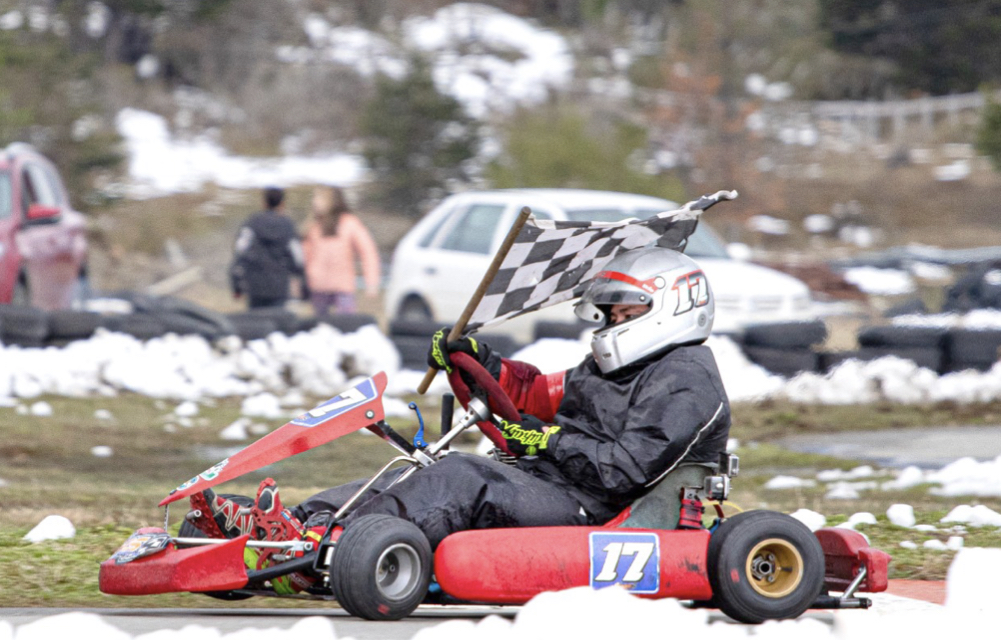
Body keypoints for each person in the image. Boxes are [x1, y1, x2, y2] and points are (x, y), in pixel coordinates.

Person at [191, 246, 731, 565]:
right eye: (609, 312)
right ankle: (288, 527)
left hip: (605, 512)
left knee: (462, 476)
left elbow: (624, 470)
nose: (611, 320)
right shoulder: (616, 367)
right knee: (413, 470)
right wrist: (478, 362)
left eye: (622, 311)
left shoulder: (687, 382)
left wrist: (549, 442)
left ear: (672, 304)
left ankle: (325, 547)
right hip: (558, 484)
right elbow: (532, 395)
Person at [301, 186, 381, 316]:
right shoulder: (313, 226)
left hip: (343, 288)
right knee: (319, 329)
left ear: (332, 201)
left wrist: (371, 282)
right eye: (314, 198)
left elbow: (368, 252)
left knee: (345, 328)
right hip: (318, 287)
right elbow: (305, 257)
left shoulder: (349, 223)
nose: (315, 202)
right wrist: (303, 281)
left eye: (320, 198)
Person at [229, 187, 307, 309]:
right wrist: (302, 280)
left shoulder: (252, 222)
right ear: (282, 204)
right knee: (277, 325)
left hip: (255, 285)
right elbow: (298, 256)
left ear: (263, 203)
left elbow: (240, 251)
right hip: (280, 286)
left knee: (255, 324)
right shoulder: (287, 225)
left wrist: (236, 284)